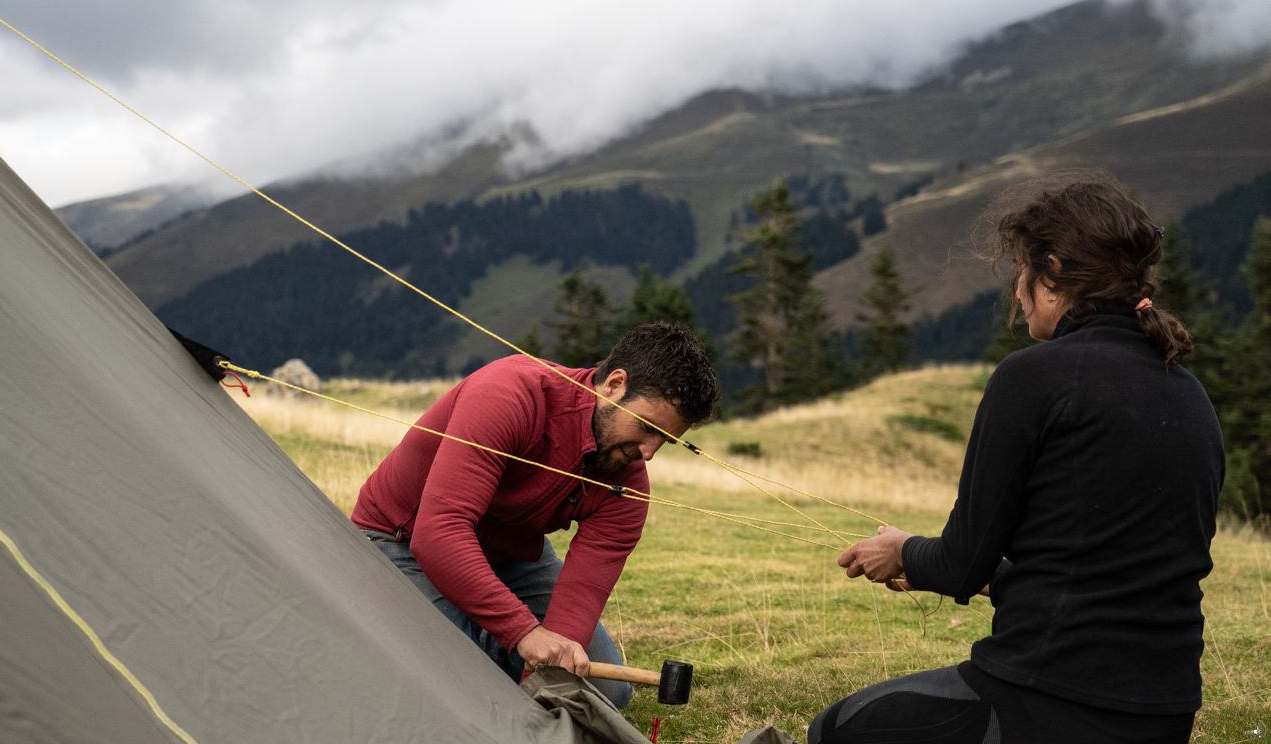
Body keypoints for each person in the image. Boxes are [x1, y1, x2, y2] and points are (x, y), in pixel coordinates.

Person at [814, 176, 1224, 744]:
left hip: (1051, 699)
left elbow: (959, 564)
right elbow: (1110, 574)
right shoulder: (1189, 393)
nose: (1017, 289)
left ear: (1050, 272)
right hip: (1164, 713)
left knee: (837, 729)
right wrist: (989, 578)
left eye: (1020, 270)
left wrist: (902, 550)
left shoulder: (1033, 378)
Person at [351, 322, 718, 707]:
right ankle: (477, 638)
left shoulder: (626, 485)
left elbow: (581, 596)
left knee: (602, 693)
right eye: (646, 427)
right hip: (402, 540)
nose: (649, 452)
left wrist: (542, 689)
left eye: (665, 440)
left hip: (511, 556)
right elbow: (438, 534)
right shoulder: (510, 394)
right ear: (614, 384)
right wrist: (522, 632)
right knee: (456, 688)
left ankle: (482, 635)